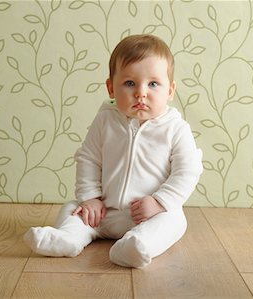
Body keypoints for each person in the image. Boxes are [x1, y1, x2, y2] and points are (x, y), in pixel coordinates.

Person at [24, 34, 203, 268]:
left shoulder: (176, 129)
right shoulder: (105, 121)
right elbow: (88, 159)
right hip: (104, 212)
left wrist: (160, 202)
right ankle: (68, 239)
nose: (141, 92)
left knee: (175, 220)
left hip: (147, 214)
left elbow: (187, 171)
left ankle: (136, 245)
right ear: (111, 87)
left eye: (153, 84)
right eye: (130, 83)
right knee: (73, 208)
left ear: (170, 90)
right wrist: (91, 198)